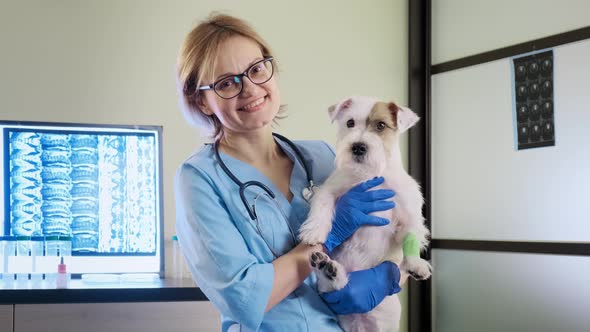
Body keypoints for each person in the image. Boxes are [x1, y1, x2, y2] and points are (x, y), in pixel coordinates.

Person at [174, 13, 402, 332]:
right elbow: (244, 298)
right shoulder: (199, 180)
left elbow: (392, 229)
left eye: (256, 69)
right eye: (227, 82)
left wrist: (391, 275)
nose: (250, 89)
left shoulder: (322, 157)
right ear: (202, 101)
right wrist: (328, 233)